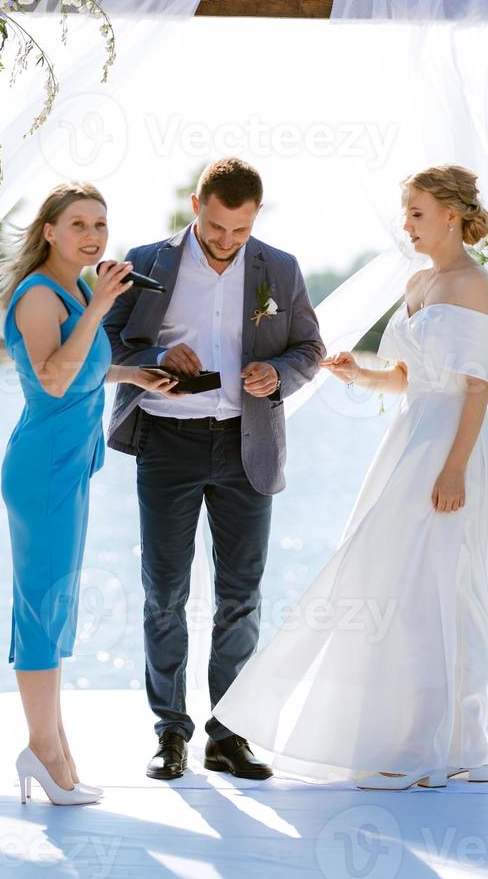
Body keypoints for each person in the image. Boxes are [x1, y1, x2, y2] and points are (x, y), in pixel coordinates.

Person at [213, 164, 488, 790]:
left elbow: (476, 387)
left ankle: (438, 742)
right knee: (386, 577)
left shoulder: (474, 284)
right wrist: (358, 374)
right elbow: (405, 375)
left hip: (449, 446)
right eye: (408, 213)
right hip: (408, 437)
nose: (408, 225)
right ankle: (399, 734)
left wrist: (454, 469)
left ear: (451, 214)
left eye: (417, 213)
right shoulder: (420, 283)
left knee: (436, 585)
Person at [104, 157, 326, 781]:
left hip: (245, 446)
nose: (227, 242)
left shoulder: (279, 268)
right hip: (166, 442)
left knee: (241, 597)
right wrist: (153, 355)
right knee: (164, 592)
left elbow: (309, 348)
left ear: (256, 217)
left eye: (241, 231)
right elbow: (103, 342)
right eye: (218, 226)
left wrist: (275, 374)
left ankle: (228, 736)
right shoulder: (147, 261)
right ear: (197, 203)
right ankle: (169, 733)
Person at [0, 182, 178, 805]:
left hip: (69, 467)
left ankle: (56, 751)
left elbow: (83, 369)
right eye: (78, 225)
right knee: (40, 610)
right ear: (50, 230)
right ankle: (45, 754)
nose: (93, 236)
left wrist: (131, 373)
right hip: (42, 468)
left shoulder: (73, 289)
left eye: (100, 224)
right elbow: (52, 378)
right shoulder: (40, 295)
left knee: (52, 606)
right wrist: (98, 308)